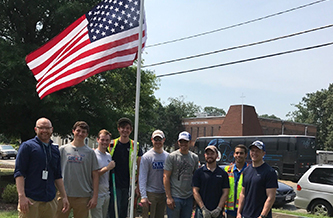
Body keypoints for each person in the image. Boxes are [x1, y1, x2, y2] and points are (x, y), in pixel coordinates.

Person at [14, 117, 69, 218]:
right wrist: (21, 196)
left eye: (47, 128)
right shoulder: (27, 147)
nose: (44, 131)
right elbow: (19, 172)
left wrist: (64, 196)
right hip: (31, 200)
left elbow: (57, 175)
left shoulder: (54, 149)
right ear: (36, 129)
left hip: (50, 200)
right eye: (41, 128)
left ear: (52, 129)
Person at [56, 121, 99, 218]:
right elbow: (55, 172)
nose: (80, 134)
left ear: (86, 134)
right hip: (64, 194)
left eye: (83, 132)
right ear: (73, 131)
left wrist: (95, 197)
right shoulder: (62, 150)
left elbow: (95, 175)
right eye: (78, 131)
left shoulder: (90, 153)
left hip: (83, 195)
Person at [108, 117, 143, 218]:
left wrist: (138, 185)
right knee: (113, 210)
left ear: (131, 130)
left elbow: (140, 166)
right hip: (113, 183)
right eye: (122, 128)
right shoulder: (111, 144)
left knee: (125, 211)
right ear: (118, 129)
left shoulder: (135, 145)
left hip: (128, 184)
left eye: (127, 128)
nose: (125, 130)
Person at [236, 140, 278, 218]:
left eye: (257, 151)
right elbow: (243, 194)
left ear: (263, 153)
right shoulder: (246, 171)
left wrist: (262, 215)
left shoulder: (269, 172)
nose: (254, 153)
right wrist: (239, 213)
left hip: (260, 215)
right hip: (246, 215)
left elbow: (271, 197)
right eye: (252, 151)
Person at [163, 131, 199, 218]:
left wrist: (195, 197)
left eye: (185, 142)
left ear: (190, 142)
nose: (183, 144)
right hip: (175, 197)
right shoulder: (172, 156)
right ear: (178, 142)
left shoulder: (194, 157)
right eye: (181, 141)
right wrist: (169, 197)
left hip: (188, 197)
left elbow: (195, 178)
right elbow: (166, 176)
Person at [193, 145, 229, 218]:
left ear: (217, 155)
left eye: (212, 154)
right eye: (207, 154)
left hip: (217, 212)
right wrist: (203, 208)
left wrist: (219, 208)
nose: (209, 156)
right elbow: (195, 191)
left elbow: (225, 192)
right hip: (201, 211)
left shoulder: (223, 173)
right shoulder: (199, 172)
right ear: (204, 155)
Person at [139, 130, 169, 218]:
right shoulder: (147, 157)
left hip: (163, 193)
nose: (158, 142)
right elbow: (142, 177)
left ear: (164, 140)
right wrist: (143, 196)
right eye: (155, 139)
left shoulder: (168, 156)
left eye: (160, 139)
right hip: (150, 193)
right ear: (152, 140)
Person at [90, 129, 116, 218]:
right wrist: (107, 168)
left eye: (107, 140)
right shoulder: (93, 154)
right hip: (96, 195)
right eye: (102, 140)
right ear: (98, 140)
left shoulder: (108, 156)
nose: (105, 142)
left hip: (106, 194)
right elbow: (92, 175)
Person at [224, 144, 249, 218]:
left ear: (246, 155)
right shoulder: (227, 170)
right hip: (229, 210)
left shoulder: (250, 170)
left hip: (245, 209)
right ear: (234, 154)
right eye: (237, 153)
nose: (239, 155)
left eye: (241, 153)